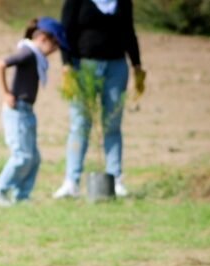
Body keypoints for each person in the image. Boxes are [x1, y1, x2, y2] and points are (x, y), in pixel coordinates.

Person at [53, 0, 145, 199]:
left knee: (112, 123)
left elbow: (129, 30)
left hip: (116, 67)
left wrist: (136, 63)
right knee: (80, 124)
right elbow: (65, 31)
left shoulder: (122, 1)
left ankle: (115, 179)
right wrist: (66, 64)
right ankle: (71, 181)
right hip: (83, 65)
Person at [0, 18, 66, 206]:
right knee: (21, 156)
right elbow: (0, 65)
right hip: (17, 110)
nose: (54, 52)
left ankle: (22, 195)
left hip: (27, 110)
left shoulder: (35, 56)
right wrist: (6, 93)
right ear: (45, 38)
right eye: (55, 46)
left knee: (34, 158)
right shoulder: (28, 53)